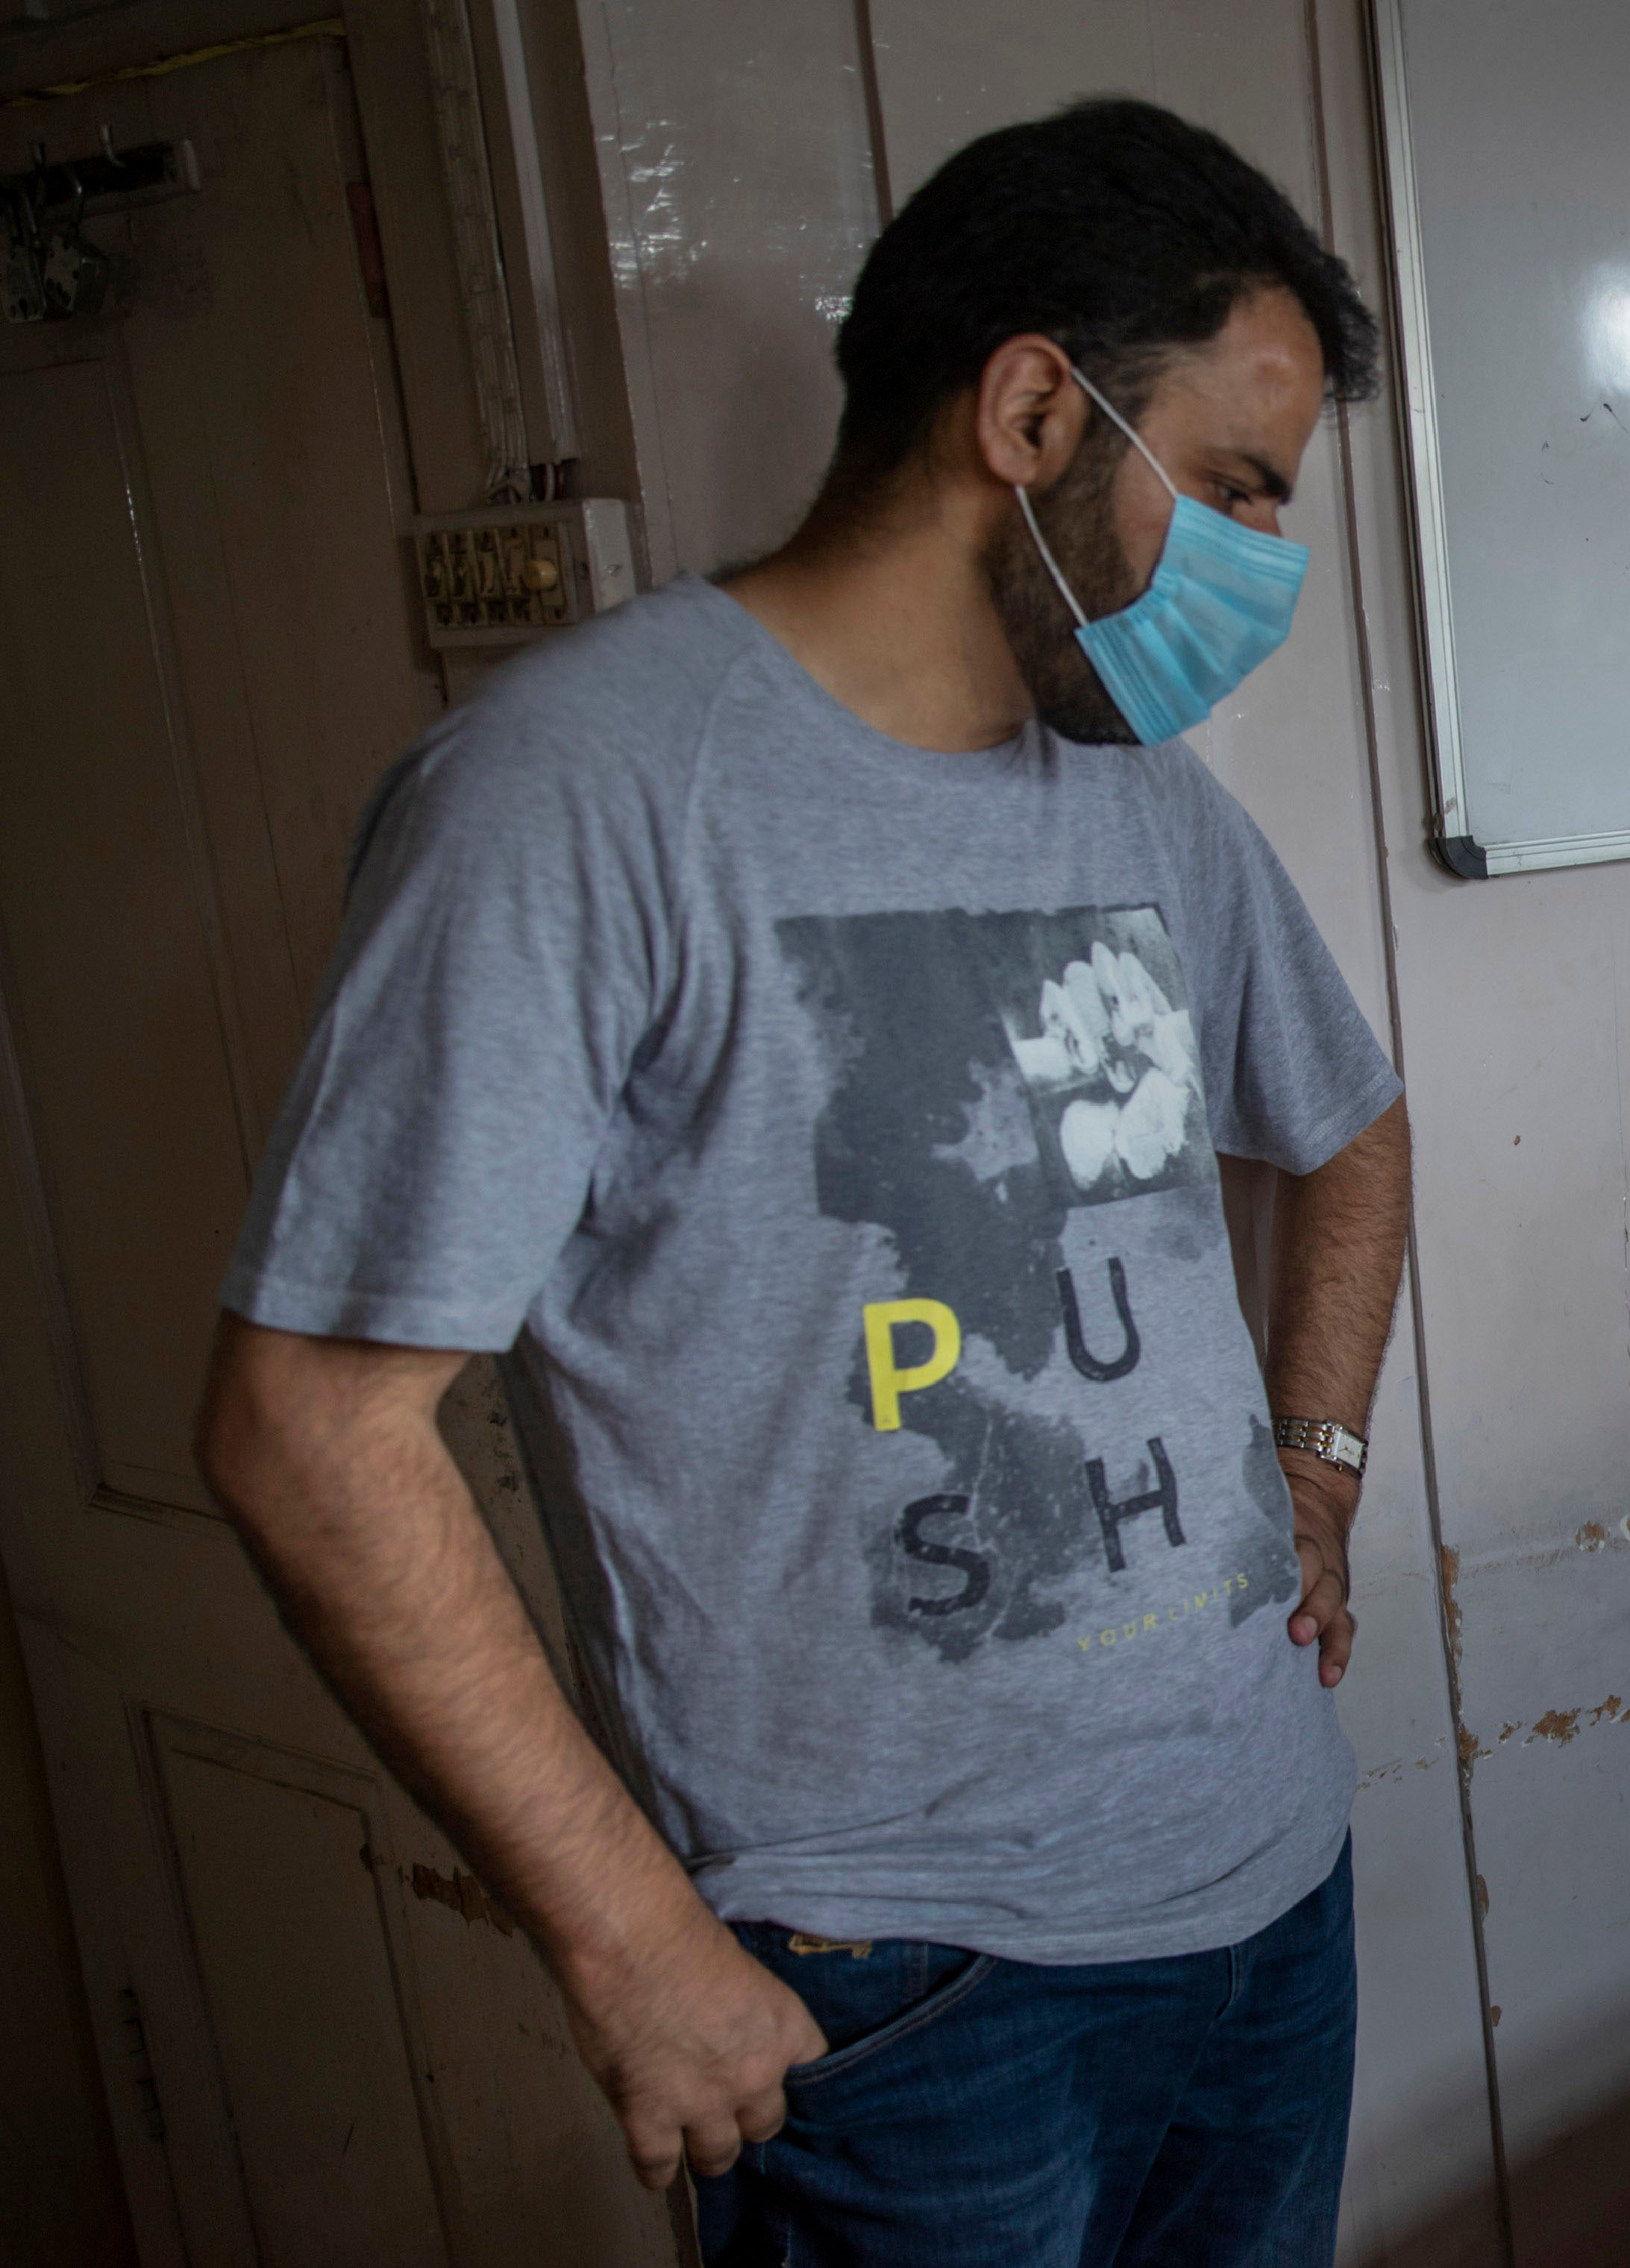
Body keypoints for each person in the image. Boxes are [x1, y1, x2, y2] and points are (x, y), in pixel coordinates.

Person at [195, 98, 1409, 2266]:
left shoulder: (1142, 807)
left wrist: (1309, 1455)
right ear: (1032, 407)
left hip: (1258, 1876)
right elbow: (312, 1425)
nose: (1263, 563)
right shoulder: (578, 793)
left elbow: (1346, 1128)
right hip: (900, 1974)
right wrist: (630, 1935)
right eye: (1235, 485)